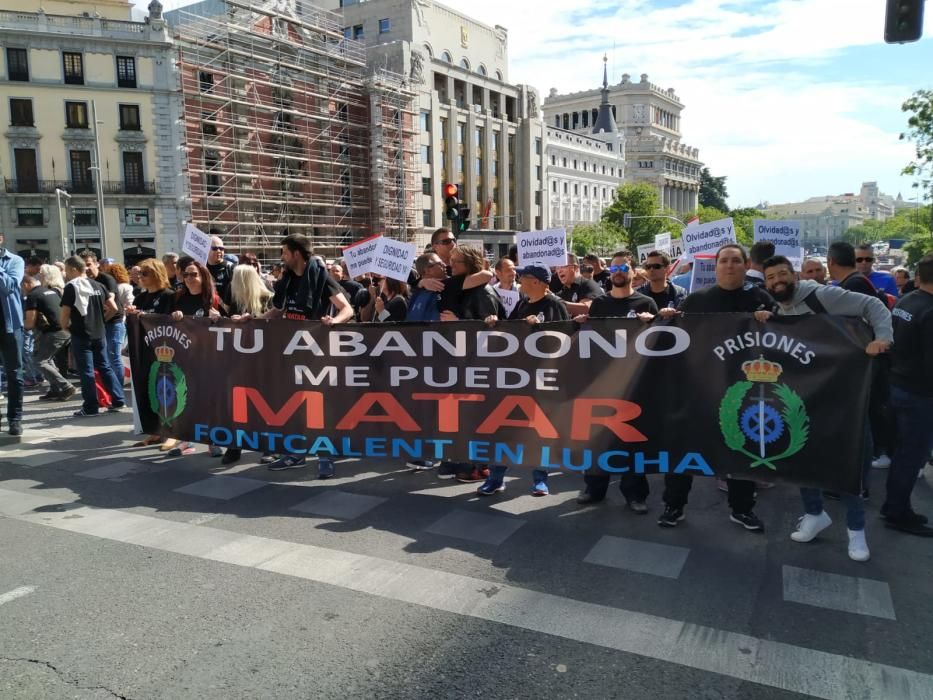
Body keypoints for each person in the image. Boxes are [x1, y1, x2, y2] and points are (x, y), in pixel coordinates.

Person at [759, 255, 892, 560]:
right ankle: (815, 515)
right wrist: (767, 317)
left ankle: (856, 533)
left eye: (782, 274)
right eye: (770, 278)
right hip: (807, 400)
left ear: (794, 275)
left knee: (848, 466)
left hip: (845, 400)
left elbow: (874, 306)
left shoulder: (823, 295)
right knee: (804, 461)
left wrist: (883, 337)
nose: (777, 281)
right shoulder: (780, 308)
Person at [659, 243, 776, 531]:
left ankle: (742, 509)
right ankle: (674, 506)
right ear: (716, 265)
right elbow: (676, 340)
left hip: (742, 389)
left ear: (745, 264)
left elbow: (782, 333)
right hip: (698, 388)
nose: (729, 266)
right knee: (684, 449)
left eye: (735, 261)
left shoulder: (760, 297)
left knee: (740, 451)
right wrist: (661, 319)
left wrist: (769, 319)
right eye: (724, 260)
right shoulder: (696, 300)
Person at [256, 233, 353, 477]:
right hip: (291, 351)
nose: (282, 257)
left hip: (317, 352)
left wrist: (334, 321)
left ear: (296, 253)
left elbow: (347, 309)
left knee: (320, 405)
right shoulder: (286, 280)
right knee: (294, 405)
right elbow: (278, 310)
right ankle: (296, 453)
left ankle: (325, 456)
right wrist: (252, 320)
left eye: (284, 252)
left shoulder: (321, 278)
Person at [574, 251, 658, 512]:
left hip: (634, 384)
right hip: (604, 382)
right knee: (598, 437)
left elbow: (658, 343)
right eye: (614, 267)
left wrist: (652, 323)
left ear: (633, 272)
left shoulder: (646, 303)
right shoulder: (599, 303)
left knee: (631, 441)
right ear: (609, 273)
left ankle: (635, 494)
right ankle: (594, 488)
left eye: (624, 267)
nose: (619, 271)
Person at [478, 263, 569, 496]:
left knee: (538, 432)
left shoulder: (555, 305)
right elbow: (512, 332)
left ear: (537, 281)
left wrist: (540, 329)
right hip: (516, 378)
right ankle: (496, 478)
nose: (519, 279)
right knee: (503, 429)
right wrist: (495, 323)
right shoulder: (523, 302)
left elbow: (565, 340)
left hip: (541, 380)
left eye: (523, 276)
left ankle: (540, 479)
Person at [882, 253, 933, 536]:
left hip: (898, 386)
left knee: (901, 453)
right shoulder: (929, 310)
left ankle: (893, 505)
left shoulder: (906, 301)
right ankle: (898, 512)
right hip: (919, 394)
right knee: (910, 456)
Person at [166, 260, 222, 457]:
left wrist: (218, 319)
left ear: (203, 277)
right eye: (186, 275)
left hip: (207, 357)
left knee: (207, 400)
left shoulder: (213, 299)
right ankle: (186, 441)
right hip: (184, 356)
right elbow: (166, 322)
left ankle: (212, 440)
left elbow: (230, 324)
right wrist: (174, 316)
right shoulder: (179, 298)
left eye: (194, 275)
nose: (189, 278)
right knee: (185, 398)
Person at [59, 256, 126, 418]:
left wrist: (66, 328)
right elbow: (114, 307)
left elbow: (65, 314)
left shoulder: (71, 287)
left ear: (74, 269)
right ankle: (118, 400)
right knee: (105, 367)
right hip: (99, 333)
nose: (66, 274)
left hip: (81, 334)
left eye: (67, 270)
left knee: (86, 370)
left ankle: (90, 407)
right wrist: (102, 321)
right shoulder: (99, 285)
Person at [125, 258, 177, 449]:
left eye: (145, 273)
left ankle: (173, 433)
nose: (141, 277)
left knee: (169, 391)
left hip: (167, 352)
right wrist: (131, 315)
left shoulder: (169, 296)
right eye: (140, 274)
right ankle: (157, 430)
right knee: (152, 391)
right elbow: (131, 326)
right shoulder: (140, 297)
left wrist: (145, 316)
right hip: (146, 352)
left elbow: (169, 322)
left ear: (157, 274)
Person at [28, 265, 74, 402]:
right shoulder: (52, 291)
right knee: (47, 359)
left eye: (41, 274)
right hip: (60, 329)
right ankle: (55, 388)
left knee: (41, 361)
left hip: (57, 329)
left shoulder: (51, 291)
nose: (39, 275)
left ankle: (65, 386)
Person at [83, 252, 125, 390]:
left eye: (89, 264)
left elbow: (110, 305)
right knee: (102, 359)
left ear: (96, 264)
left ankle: (117, 390)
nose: (86, 268)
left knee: (113, 357)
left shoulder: (106, 279)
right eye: (83, 266)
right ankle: (107, 390)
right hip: (99, 324)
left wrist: (100, 321)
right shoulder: (85, 282)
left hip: (113, 322)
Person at [0, 231, 25, 435]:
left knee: (14, 373)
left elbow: (8, 285)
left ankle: (14, 418)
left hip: (10, 326)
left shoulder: (14, 261)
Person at [206, 233, 235, 306]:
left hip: (226, 312)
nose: (219, 251)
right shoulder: (202, 267)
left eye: (221, 248)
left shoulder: (231, 268)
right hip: (207, 312)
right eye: (215, 248)